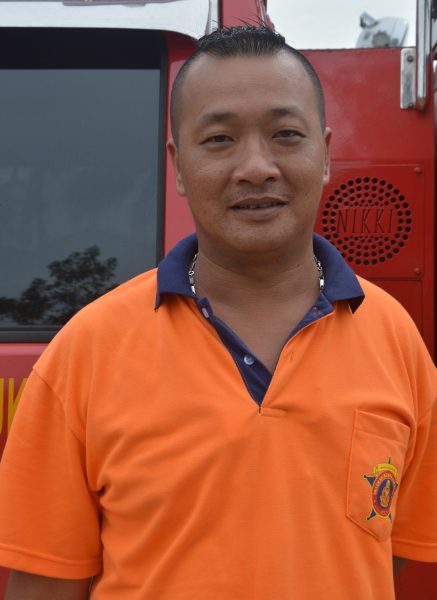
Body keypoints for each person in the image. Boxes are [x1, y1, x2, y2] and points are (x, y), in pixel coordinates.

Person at [0, 25, 436, 600]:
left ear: (327, 154)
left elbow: (385, 551)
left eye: (286, 134)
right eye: (220, 139)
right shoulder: (86, 351)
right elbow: (44, 585)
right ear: (178, 165)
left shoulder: (395, 340)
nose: (256, 167)